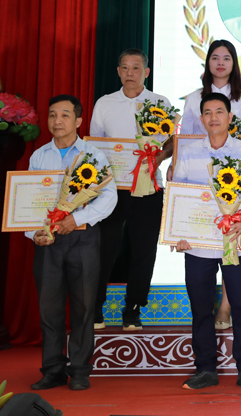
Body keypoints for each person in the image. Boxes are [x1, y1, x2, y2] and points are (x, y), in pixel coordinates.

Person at [172, 93, 241, 390]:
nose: (213, 117)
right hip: (198, 244)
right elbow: (178, 195)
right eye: (207, 113)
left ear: (229, 117)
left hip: (236, 240)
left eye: (219, 112)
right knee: (200, 307)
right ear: (201, 119)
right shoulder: (188, 153)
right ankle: (205, 369)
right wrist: (178, 234)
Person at [27, 95, 118, 391]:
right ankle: (52, 369)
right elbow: (28, 201)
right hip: (48, 241)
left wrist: (77, 220)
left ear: (78, 121)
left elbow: (109, 197)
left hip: (83, 239)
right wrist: (34, 233)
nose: (57, 121)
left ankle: (79, 370)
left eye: (65, 115)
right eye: (53, 115)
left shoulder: (94, 156)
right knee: (49, 308)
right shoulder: (39, 156)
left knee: (83, 307)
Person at [178, 40, 241, 331]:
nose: (220, 63)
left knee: (233, 246)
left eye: (226, 58)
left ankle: (226, 306)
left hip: (237, 181)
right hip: (200, 179)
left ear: (234, 63)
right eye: (214, 57)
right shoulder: (194, 98)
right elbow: (187, 139)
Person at [90, 49, 172, 331]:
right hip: (112, 189)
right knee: (103, 249)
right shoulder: (104, 103)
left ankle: (133, 308)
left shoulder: (160, 103)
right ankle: (95, 308)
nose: (129, 73)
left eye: (136, 68)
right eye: (124, 67)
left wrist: (159, 157)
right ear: (118, 71)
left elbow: (172, 141)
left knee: (144, 249)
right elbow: (94, 146)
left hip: (148, 186)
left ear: (146, 72)